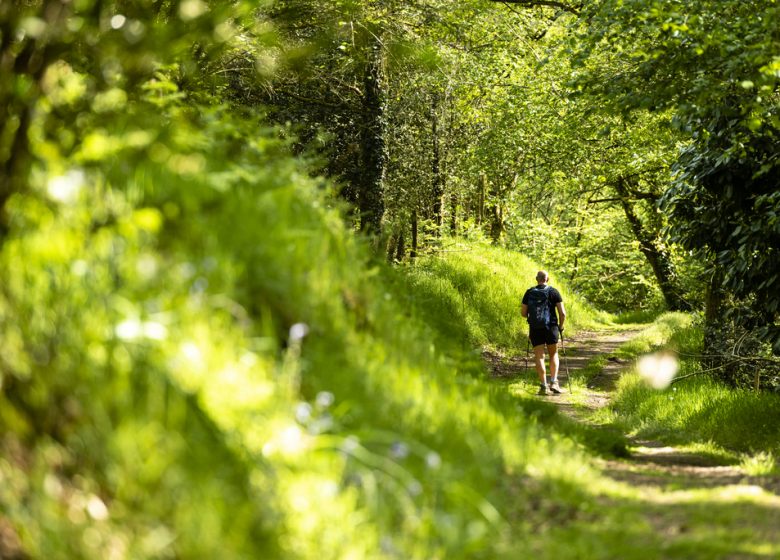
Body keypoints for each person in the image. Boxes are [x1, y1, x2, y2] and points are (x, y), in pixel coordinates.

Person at [521, 270, 567, 395]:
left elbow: (523, 313)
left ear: (537, 279)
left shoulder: (529, 292)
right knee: (553, 354)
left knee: (539, 356)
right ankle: (554, 382)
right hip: (551, 327)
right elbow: (562, 313)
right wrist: (560, 327)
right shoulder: (553, 292)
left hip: (535, 328)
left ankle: (543, 386)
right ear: (548, 279)